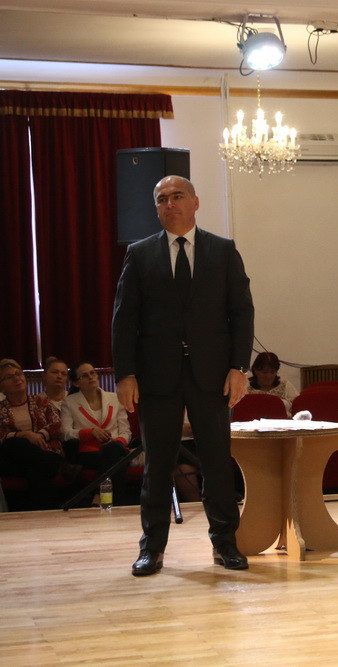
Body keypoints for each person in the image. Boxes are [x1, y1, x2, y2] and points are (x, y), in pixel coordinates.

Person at [113, 174, 254, 576]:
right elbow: (124, 318)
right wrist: (125, 373)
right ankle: (151, 549)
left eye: (177, 196)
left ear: (195, 202)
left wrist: (239, 367)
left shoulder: (222, 250)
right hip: (157, 375)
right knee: (158, 465)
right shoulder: (140, 254)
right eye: (162, 199)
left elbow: (241, 311)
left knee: (216, 462)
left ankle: (225, 544)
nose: (169, 204)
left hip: (213, 374)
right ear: (156, 208)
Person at [0, 358, 80, 510]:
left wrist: (41, 435)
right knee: (17, 443)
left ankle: (42, 512)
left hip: (41, 455)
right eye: (9, 377)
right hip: (12, 461)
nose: (17, 378)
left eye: (18, 374)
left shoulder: (41, 401)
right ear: (1, 387)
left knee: (35, 467)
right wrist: (25, 435)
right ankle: (60, 467)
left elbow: (56, 424)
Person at [60, 361, 133, 504]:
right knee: (118, 460)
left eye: (92, 373)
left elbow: (126, 431)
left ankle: (100, 497)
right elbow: (65, 433)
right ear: (76, 383)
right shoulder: (69, 402)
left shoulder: (115, 398)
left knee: (113, 451)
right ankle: (117, 505)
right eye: (84, 376)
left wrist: (117, 442)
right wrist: (90, 432)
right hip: (89, 453)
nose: (91, 377)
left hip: (115, 448)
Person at [246, 351, 299, 416]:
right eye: (265, 372)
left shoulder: (286, 386)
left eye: (272, 372)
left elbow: (299, 408)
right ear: (255, 370)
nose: (268, 376)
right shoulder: (246, 389)